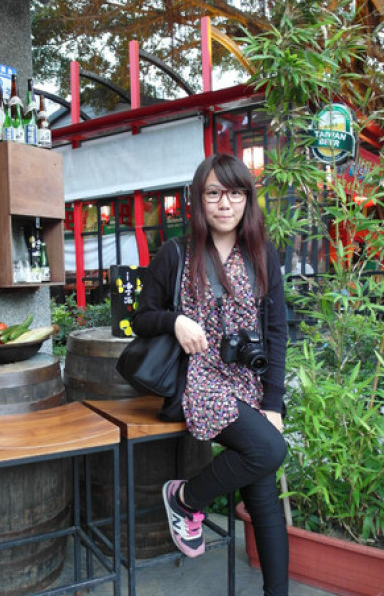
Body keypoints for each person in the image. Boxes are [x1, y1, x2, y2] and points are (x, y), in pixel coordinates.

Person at [131, 153, 289, 596]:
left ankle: (275, 592)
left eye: (235, 193)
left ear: (247, 200)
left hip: (247, 382)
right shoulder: (176, 253)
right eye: (214, 193)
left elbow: (277, 333)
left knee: (263, 491)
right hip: (198, 379)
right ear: (199, 199)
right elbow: (141, 319)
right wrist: (175, 322)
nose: (225, 203)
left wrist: (273, 403)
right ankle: (185, 498)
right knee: (269, 450)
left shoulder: (261, 255)